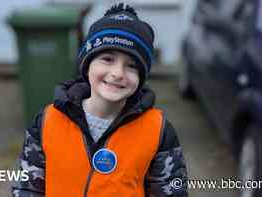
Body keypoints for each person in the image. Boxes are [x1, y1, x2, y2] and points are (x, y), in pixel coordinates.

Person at [12, 3, 188, 197]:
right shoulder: (47, 121)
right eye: (107, 59)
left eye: (131, 66)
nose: (118, 73)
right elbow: (27, 188)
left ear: (142, 77)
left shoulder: (158, 131)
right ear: (87, 65)